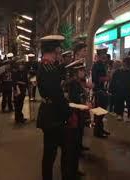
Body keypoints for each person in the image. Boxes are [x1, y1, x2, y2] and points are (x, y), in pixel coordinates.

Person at [37, 35, 79, 180]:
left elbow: (54, 90)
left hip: (51, 114)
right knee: (52, 152)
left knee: (56, 151)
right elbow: (56, 95)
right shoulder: (48, 68)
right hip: (53, 116)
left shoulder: (48, 66)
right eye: (59, 50)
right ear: (54, 50)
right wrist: (69, 114)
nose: (60, 53)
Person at [91, 47, 110, 138]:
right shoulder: (97, 65)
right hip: (99, 91)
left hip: (102, 90)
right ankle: (97, 132)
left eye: (105, 54)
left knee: (101, 112)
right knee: (99, 113)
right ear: (99, 55)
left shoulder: (102, 64)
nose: (105, 56)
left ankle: (100, 129)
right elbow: (96, 78)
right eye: (103, 54)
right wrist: (106, 78)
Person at [110, 57, 130, 121]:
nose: (125, 65)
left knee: (126, 103)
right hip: (125, 90)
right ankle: (124, 115)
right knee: (123, 102)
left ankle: (123, 115)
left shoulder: (126, 71)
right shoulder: (121, 71)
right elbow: (114, 81)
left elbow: (113, 81)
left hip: (124, 90)